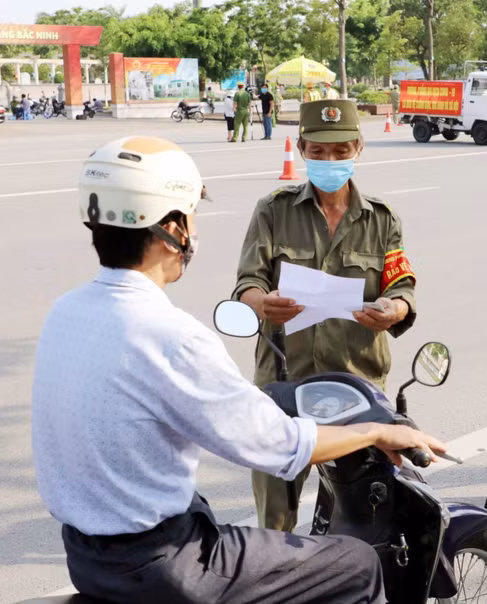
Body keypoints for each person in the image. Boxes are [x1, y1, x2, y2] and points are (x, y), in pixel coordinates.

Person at [31, 135, 445, 604]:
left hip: (87, 554)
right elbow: (279, 445)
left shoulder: (65, 312)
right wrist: (376, 433)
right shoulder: (172, 335)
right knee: (355, 562)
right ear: (172, 229)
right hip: (168, 560)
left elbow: (401, 280)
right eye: (190, 215)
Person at [233, 99, 418, 532]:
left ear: (358, 149)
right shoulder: (273, 210)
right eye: (318, 151)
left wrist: (393, 309)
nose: (329, 160)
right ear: (302, 149)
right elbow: (247, 284)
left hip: (357, 385)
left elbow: (400, 284)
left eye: (339, 152)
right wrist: (263, 304)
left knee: (364, 516)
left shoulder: (382, 218)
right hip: (285, 381)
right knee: (275, 521)